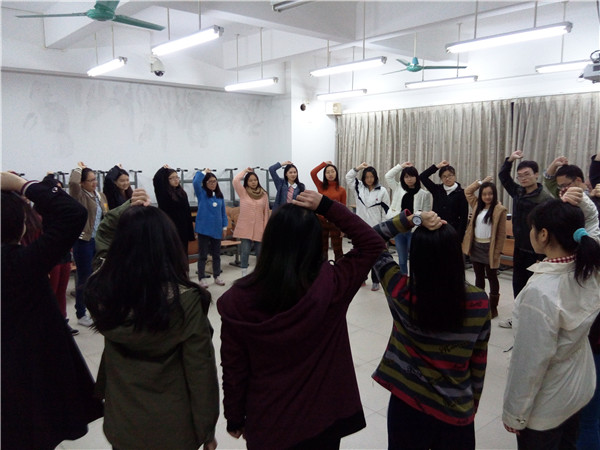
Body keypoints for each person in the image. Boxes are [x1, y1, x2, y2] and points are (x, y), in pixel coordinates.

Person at [218, 190, 387, 450]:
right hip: (321, 421)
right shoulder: (332, 286)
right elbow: (372, 243)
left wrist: (234, 417)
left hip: (268, 422)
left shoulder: (237, 300)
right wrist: (327, 206)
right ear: (314, 242)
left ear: (270, 240)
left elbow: (234, 368)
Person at [85, 189, 219, 450]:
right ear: (169, 245)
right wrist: (207, 429)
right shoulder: (186, 301)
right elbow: (200, 371)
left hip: (123, 423)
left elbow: (102, 236)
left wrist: (126, 209)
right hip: (174, 428)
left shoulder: (102, 291)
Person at [371, 209, 490, 450]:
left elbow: (371, 238)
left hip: (407, 406)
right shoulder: (478, 301)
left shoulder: (401, 291)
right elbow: (478, 362)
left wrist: (411, 220)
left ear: (416, 255)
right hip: (455, 411)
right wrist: (470, 405)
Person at [1, 171, 103, 450]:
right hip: (27, 377)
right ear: (21, 225)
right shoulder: (20, 263)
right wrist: (23, 184)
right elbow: (73, 213)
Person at [502, 196, 600, 449]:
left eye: (533, 228)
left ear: (543, 234)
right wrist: (584, 204)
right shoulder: (589, 268)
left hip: (547, 407)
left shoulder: (541, 292)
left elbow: (529, 363)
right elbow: (592, 229)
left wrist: (514, 414)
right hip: (576, 391)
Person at [497, 150, 553, 328]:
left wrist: (543, 255)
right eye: (520, 176)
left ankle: (534, 322)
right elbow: (503, 176)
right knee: (518, 284)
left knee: (535, 287)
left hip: (537, 252)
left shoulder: (545, 199)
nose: (523, 178)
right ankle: (518, 317)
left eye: (527, 174)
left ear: (536, 174)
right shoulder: (518, 192)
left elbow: (548, 228)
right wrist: (510, 160)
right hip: (519, 247)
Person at [69, 161, 108, 327]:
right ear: (82, 183)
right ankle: (81, 313)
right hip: (84, 241)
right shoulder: (80, 196)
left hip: (97, 240)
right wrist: (79, 169)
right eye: (90, 180)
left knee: (98, 276)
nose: (94, 183)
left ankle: (96, 308)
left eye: (95, 179)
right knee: (84, 277)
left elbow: (106, 215)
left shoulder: (100, 196)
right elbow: (73, 183)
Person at [462, 176, 508, 318]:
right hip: (476, 246)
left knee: (492, 277)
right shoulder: (477, 205)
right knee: (479, 277)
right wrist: (481, 182)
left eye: (490, 194)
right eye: (484, 194)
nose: (487, 197)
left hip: (490, 248)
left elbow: (501, 234)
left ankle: (493, 307)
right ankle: (480, 303)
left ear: (494, 195)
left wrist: (497, 252)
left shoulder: (499, 209)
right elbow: (468, 191)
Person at [42, 173, 78, 335]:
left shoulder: (63, 210)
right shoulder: (40, 212)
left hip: (64, 255)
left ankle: (63, 321)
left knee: (61, 291)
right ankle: (50, 324)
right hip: (51, 258)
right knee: (51, 291)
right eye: (56, 189)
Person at [345, 162, 390, 291]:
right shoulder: (359, 187)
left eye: (371, 177)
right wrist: (358, 168)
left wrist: (383, 229)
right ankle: (362, 278)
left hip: (376, 228)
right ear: (363, 178)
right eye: (367, 177)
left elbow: (385, 211)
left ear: (375, 177)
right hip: (360, 228)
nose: (369, 179)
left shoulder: (382, 191)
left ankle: (376, 280)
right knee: (360, 255)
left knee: (376, 255)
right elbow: (348, 177)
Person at [385, 161, 432, 273]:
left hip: (414, 230)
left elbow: (426, 212)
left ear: (416, 177)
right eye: (406, 177)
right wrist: (401, 166)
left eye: (412, 176)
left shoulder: (424, 194)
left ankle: (415, 279)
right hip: (400, 228)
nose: (409, 179)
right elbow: (388, 176)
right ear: (403, 178)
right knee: (402, 259)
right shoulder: (398, 188)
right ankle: (404, 279)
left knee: (416, 258)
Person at [419, 160, 469, 244]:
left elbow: (463, 218)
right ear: (441, 178)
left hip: (453, 231)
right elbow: (422, 176)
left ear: (454, 176)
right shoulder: (437, 189)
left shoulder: (462, 193)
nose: (447, 178)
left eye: (450, 175)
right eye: (444, 176)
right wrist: (437, 167)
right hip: (436, 228)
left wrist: (459, 237)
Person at [193, 169, 228, 288]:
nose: (213, 184)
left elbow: (223, 213)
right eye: (210, 182)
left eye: (215, 181)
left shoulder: (219, 196)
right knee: (203, 255)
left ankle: (217, 276)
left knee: (216, 255)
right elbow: (195, 182)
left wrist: (224, 227)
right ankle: (201, 278)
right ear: (205, 183)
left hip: (216, 230)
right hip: (203, 230)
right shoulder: (201, 194)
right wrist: (203, 172)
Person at [232, 168, 270, 277]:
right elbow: (235, 180)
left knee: (260, 252)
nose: (253, 182)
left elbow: (266, 213)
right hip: (246, 228)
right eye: (250, 180)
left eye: (255, 180)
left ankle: (259, 274)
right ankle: (244, 273)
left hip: (260, 228)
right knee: (245, 251)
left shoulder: (264, 194)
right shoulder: (243, 192)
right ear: (246, 182)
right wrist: (245, 171)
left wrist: (266, 228)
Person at [310, 161, 347, 261]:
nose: (330, 174)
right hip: (321, 221)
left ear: (336, 173)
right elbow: (313, 173)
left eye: (332, 171)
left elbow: (343, 209)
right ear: (325, 175)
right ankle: (324, 268)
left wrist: (343, 227)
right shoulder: (321, 186)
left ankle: (339, 268)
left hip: (336, 222)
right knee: (322, 248)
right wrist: (324, 164)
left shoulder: (342, 190)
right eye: (328, 172)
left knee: (338, 249)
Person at [153, 165, 195, 250]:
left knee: (183, 252)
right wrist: (163, 169)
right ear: (166, 180)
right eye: (171, 178)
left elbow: (187, 213)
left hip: (183, 229)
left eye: (177, 177)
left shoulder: (182, 193)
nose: (176, 180)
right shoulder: (163, 193)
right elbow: (156, 180)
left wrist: (190, 233)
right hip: (170, 229)